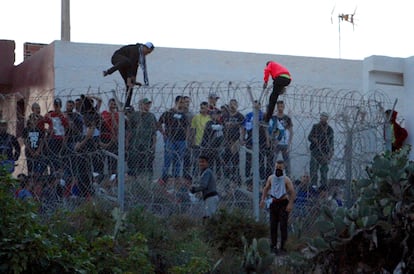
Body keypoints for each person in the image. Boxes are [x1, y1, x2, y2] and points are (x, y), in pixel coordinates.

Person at [103, 42, 155, 109]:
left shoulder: (141, 56)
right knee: (128, 62)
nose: (147, 54)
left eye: (149, 53)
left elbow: (135, 67)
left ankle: (127, 105)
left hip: (125, 64)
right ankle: (108, 71)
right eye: (148, 52)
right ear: (145, 47)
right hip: (117, 58)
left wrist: (134, 80)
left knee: (130, 85)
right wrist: (129, 78)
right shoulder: (135, 50)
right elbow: (131, 64)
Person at [259, 160, 296, 254]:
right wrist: (262, 200)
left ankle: (283, 247)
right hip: (273, 203)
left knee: (283, 225)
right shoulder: (271, 178)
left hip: (283, 202)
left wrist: (290, 204)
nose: (278, 169)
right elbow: (266, 189)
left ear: (283, 168)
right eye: (277, 167)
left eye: (280, 167)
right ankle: (273, 246)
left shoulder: (286, 179)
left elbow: (292, 192)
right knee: (273, 225)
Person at [158, 95, 190, 184]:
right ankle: (164, 177)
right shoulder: (169, 113)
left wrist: (186, 139)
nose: (182, 104)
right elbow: (159, 123)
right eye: (181, 102)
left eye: (183, 103)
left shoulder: (183, 115)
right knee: (168, 158)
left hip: (181, 141)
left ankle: (176, 177)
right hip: (170, 140)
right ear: (176, 102)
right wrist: (163, 133)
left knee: (178, 160)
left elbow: (187, 126)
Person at [127, 98, 157, 178]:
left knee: (147, 163)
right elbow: (129, 129)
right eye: (146, 104)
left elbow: (154, 132)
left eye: (149, 104)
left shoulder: (151, 116)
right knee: (133, 163)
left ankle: (146, 180)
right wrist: (127, 142)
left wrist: (154, 144)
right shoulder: (134, 115)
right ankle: (133, 179)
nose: (148, 106)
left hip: (147, 143)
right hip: (135, 143)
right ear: (141, 105)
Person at [241, 100, 270, 180]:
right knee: (248, 159)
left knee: (260, 159)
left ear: (260, 106)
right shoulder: (248, 115)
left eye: (258, 105)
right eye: (254, 104)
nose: (256, 106)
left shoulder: (263, 115)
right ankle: (247, 177)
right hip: (250, 139)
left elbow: (265, 129)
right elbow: (244, 128)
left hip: (261, 140)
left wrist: (267, 140)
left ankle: (261, 178)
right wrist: (243, 139)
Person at [308, 112, 334, 190]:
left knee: (324, 169)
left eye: (325, 117)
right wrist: (314, 140)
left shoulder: (329, 129)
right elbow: (309, 137)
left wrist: (331, 152)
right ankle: (314, 185)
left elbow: (331, 142)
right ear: (320, 118)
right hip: (315, 150)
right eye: (322, 117)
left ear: (327, 119)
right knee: (313, 168)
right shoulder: (315, 127)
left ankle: (323, 185)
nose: (323, 118)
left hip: (324, 152)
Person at [43, 98, 69, 173]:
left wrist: (62, 116)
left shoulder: (63, 115)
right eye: (56, 105)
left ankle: (59, 173)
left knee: (60, 157)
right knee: (53, 157)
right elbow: (40, 124)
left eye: (59, 105)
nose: (57, 107)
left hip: (61, 139)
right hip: (53, 138)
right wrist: (47, 130)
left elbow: (67, 127)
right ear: (54, 106)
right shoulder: (50, 115)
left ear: (60, 106)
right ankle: (53, 172)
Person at [222, 99, 244, 185]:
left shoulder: (240, 116)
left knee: (235, 159)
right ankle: (227, 177)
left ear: (237, 105)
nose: (232, 106)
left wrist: (241, 139)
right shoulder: (225, 115)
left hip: (235, 140)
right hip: (227, 140)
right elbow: (222, 126)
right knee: (226, 159)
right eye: (231, 104)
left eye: (234, 104)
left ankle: (236, 177)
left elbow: (242, 128)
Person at [269, 101, 293, 176]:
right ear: (277, 107)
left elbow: (291, 132)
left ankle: (288, 177)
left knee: (286, 162)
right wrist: (272, 141)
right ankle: (271, 177)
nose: (280, 108)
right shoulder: (274, 118)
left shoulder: (287, 118)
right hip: (276, 143)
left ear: (284, 107)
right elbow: (270, 130)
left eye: (282, 106)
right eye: (279, 106)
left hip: (285, 143)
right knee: (272, 161)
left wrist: (289, 143)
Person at [200, 109, 224, 178]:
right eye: (216, 114)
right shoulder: (209, 123)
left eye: (219, 114)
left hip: (215, 147)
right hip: (207, 146)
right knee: (209, 162)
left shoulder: (219, 123)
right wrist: (219, 126)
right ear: (211, 115)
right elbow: (211, 127)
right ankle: (206, 175)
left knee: (218, 161)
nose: (218, 115)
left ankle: (217, 175)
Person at [190, 101, 211, 177]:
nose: (202, 109)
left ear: (207, 108)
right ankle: (194, 177)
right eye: (201, 108)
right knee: (196, 162)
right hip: (197, 143)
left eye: (204, 108)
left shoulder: (210, 118)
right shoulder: (196, 117)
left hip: (207, 144)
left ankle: (204, 177)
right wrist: (192, 141)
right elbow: (193, 129)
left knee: (206, 162)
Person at [22, 113, 47, 178]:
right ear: (30, 120)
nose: (34, 121)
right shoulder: (26, 129)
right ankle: (31, 182)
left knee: (38, 170)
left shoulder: (40, 130)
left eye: (36, 119)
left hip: (38, 152)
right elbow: (25, 141)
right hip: (29, 152)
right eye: (33, 119)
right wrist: (31, 152)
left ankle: (38, 180)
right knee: (30, 171)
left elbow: (42, 141)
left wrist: (37, 151)